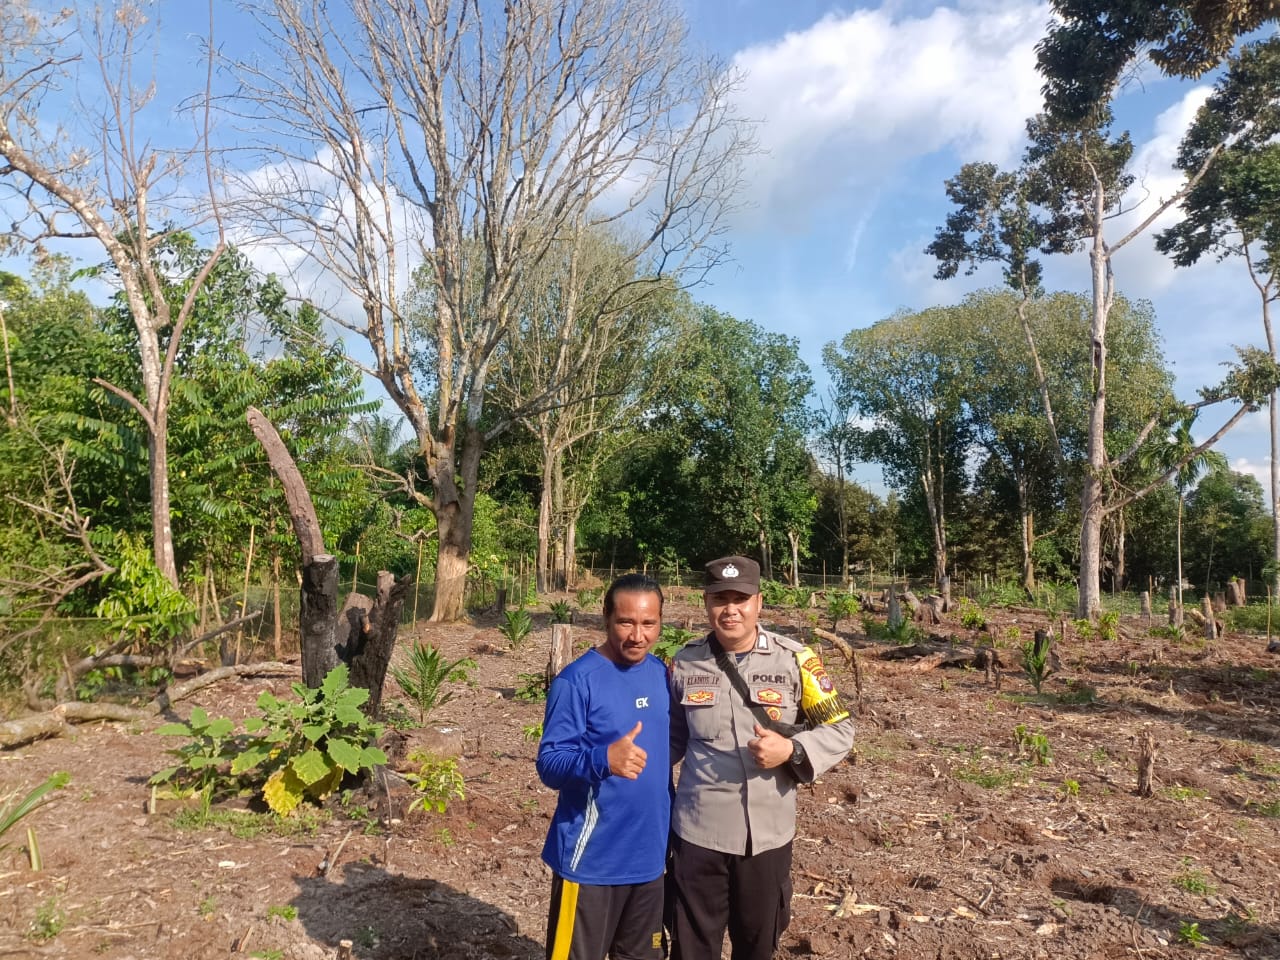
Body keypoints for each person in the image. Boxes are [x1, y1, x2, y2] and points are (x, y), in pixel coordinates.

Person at [667, 555, 855, 960]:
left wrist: (792, 749)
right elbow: (671, 740)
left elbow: (841, 730)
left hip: (767, 838)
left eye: (740, 599)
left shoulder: (796, 660)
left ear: (759, 603)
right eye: (720, 599)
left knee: (757, 947)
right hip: (698, 834)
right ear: (706, 603)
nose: (730, 610)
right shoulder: (684, 662)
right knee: (691, 948)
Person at [537, 573, 671, 960]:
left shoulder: (661, 674)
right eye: (626, 622)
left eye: (649, 624)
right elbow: (549, 764)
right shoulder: (577, 682)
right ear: (606, 619)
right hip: (591, 863)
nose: (637, 635)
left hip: (648, 862)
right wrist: (602, 760)